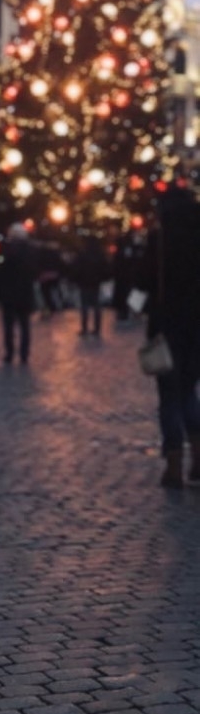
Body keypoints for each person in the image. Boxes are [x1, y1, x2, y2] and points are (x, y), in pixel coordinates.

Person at [135, 186, 200, 489]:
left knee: (169, 396)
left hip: (166, 325)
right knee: (188, 391)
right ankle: (198, 456)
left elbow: (143, 280)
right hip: (197, 325)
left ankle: (174, 464)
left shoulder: (159, 241)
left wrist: (136, 306)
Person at [0, 223, 38, 365]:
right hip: (25, 292)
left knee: (9, 326)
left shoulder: (6, 250)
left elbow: (0, 273)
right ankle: (24, 354)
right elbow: (34, 271)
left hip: (8, 293)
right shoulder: (31, 251)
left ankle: (9, 353)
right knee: (25, 325)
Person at [70, 234, 111, 337]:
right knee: (96, 305)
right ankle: (97, 328)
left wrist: (76, 279)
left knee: (85, 306)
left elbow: (76, 268)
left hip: (84, 282)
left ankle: (84, 328)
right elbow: (106, 268)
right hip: (96, 282)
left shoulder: (82, 254)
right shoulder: (100, 254)